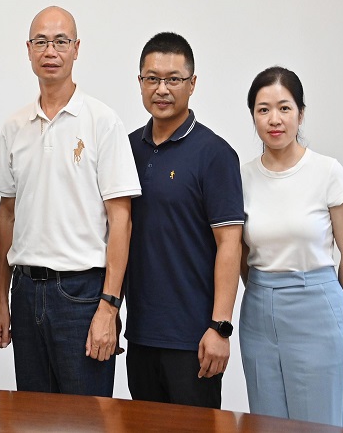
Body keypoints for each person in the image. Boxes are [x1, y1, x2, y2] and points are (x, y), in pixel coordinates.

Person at [0, 6, 141, 396]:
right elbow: (7, 215)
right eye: (41, 41)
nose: (50, 51)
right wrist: (2, 299)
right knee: (32, 417)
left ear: (76, 49)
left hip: (82, 296)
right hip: (25, 293)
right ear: (28, 50)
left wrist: (109, 306)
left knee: (85, 418)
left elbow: (121, 220)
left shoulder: (102, 121)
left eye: (60, 41)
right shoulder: (14, 127)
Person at [124, 32, 243, 408]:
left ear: (192, 84)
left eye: (173, 79)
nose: (162, 89)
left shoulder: (215, 154)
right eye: (152, 78)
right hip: (140, 334)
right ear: (140, 82)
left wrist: (220, 327)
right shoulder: (126, 149)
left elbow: (230, 244)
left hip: (195, 340)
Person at [240, 66, 343, 427]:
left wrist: (338, 320)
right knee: (268, 423)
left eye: (284, 108)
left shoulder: (327, 172)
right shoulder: (242, 177)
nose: (274, 119)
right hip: (259, 314)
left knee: (319, 425)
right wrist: (264, 291)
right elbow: (241, 255)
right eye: (263, 109)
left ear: (301, 113)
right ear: (253, 116)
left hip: (318, 311)